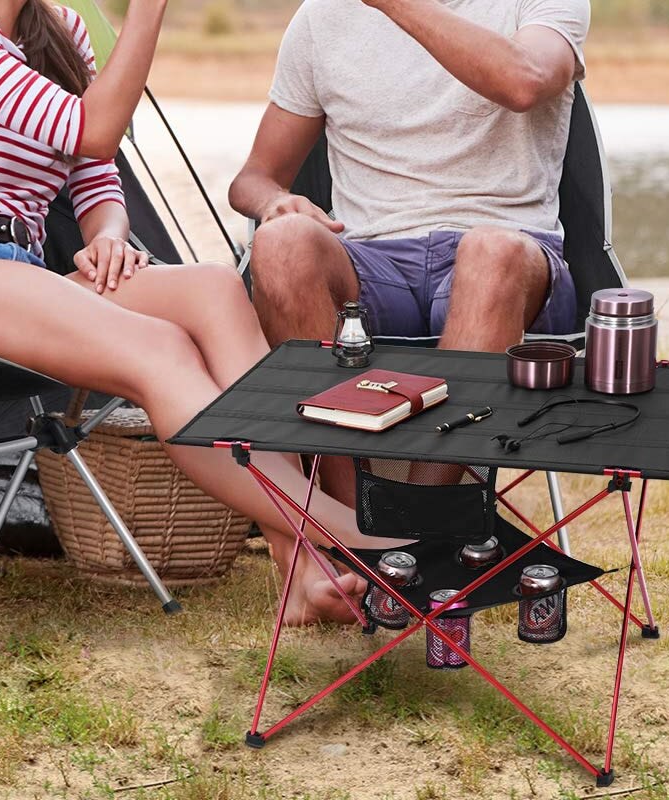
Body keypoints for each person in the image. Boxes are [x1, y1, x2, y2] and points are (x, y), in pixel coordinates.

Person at [0, 0, 411, 626]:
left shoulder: (60, 29)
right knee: (158, 350)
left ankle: (297, 573)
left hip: (21, 266)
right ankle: (363, 536)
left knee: (214, 288)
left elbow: (95, 172)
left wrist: (107, 232)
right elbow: (95, 129)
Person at [229, 0, 590, 506]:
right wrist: (275, 202)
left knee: (490, 251)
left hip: (507, 255)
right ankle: (355, 530)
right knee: (281, 242)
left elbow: (524, 81)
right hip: (373, 265)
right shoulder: (321, 17)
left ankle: (421, 530)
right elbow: (254, 177)